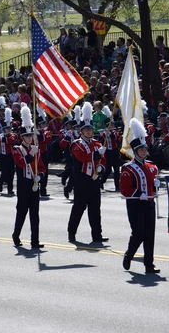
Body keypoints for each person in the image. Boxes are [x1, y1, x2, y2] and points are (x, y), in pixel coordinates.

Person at [120, 118, 161, 274]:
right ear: (135, 151)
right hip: (135, 204)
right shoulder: (128, 168)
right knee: (139, 233)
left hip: (149, 204)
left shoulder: (152, 167)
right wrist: (139, 194)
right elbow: (124, 189)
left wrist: (155, 186)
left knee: (150, 235)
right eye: (141, 149)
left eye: (145, 149)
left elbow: (152, 186)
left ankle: (149, 265)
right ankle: (129, 254)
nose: (144, 151)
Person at [67, 102, 108, 244]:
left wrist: (101, 167)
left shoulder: (97, 143)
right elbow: (84, 157)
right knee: (79, 208)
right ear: (81, 131)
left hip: (94, 180)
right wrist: (97, 154)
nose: (89, 131)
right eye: (86, 130)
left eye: (90, 129)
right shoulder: (76, 144)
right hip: (81, 181)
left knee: (95, 210)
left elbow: (103, 160)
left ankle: (97, 235)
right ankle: (71, 233)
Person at [11, 105, 46, 249]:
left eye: (31, 135)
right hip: (23, 184)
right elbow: (20, 163)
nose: (29, 138)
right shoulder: (17, 149)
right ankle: (16, 235)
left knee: (35, 215)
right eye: (26, 136)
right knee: (22, 212)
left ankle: (35, 241)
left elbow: (42, 167)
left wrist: (40, 176)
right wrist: (31, 154)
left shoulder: (35, 149)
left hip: (34, 184)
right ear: (21, 137)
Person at [0, 108, 15, 194]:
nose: (8, 130)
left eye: (9, 129)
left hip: (11, 156)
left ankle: (10, 189)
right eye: (7, 129)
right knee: (4, 172)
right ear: (4, 130)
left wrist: (4, 138)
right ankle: (0, 183)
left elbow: (11, 141)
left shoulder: (11, 136)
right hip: (3, 156)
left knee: (11, 173)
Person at [99, 106, 122, 191]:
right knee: (108, 170)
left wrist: (110, 133)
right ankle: (101, 182)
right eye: (109, 125)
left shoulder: (115, 132)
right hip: (107, 153)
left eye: (111, 124)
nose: (110, 126)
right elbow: (100, 142)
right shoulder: (104, 132)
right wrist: (102, 135)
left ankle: (117, 186)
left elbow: (117, 139)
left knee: (116, 170)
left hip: (114, 152)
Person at [35, 107, 52, 197]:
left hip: (44, 154)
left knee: (44, 171)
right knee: (36, 171)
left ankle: (43, 189)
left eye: (43, 123)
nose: (43, 125)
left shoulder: (45, 132)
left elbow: (47, 139)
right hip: (35, 154)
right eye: (41, 124)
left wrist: (40, 134)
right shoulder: (33, 132)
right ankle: (35, 188)